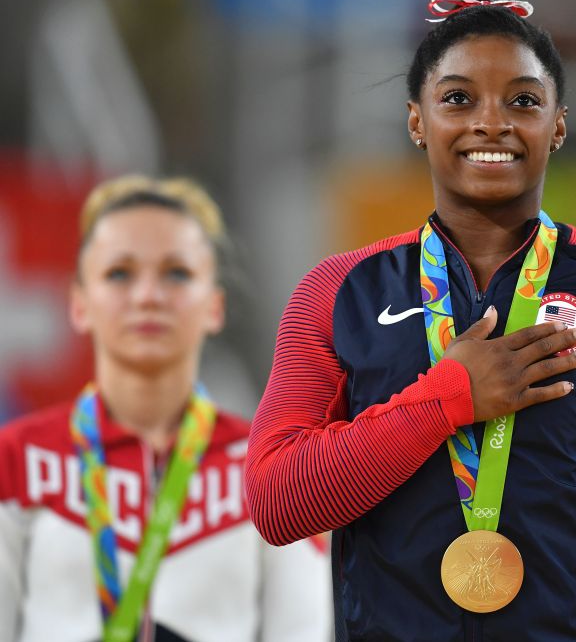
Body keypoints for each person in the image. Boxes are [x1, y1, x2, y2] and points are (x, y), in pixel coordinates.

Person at [245, 0, 576, 641]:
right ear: (417, 120)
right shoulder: (339, 293)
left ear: (558, 123)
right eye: (457, 99)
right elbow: (277, 501)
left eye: (524, 101)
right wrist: (447, 400)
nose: (491, 122)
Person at [0, 175, 331, 642]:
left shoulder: (278, 467)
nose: (148, 296)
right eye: (120, 273)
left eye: (177, 273)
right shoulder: (15, 458)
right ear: (78, 304)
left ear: (215, 306)